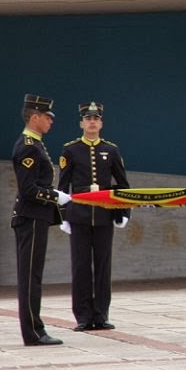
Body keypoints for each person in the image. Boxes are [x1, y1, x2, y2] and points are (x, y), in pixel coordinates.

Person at [58, 101, 131, 331]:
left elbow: (122, 184)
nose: (91, 122)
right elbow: (62, 186)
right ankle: (82, 316)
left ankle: (100, 314)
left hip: (103, 215)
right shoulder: (70, 149)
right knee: (80, 266)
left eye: (95, 118)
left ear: (101, 123)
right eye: (87, 118)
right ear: (81, 123)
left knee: (102, 265)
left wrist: (123, 212)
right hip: (79, 215)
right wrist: (63, 216)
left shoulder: (111, 150)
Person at [11, 94, 73, 346]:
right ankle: (33, 332)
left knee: (33, 276)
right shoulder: (28, 146)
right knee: (30, 277)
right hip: (31, 217)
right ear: (34, 117)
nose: (50, 121)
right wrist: (55, 196)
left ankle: (35, 329)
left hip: (36, 217)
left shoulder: (35, 143)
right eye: (47, 117)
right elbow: (29, 189)